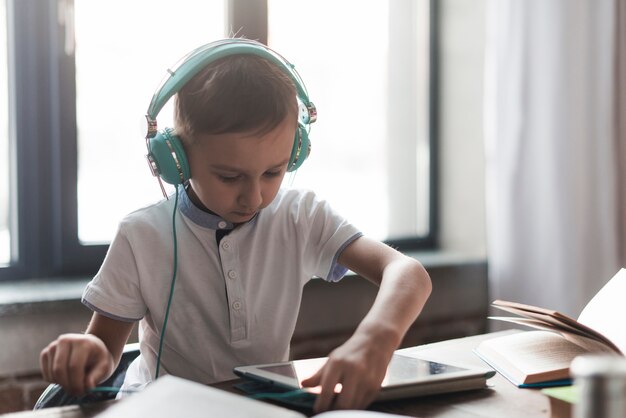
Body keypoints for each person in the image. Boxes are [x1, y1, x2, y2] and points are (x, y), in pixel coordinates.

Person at [39, 38, 432, 412]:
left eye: (273, 172)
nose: (254, 197)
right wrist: (88, 354)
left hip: (264, 409)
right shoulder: (142, 236)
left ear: (296, 151)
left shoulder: (300, 217)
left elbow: (408, 273)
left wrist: (375, 337)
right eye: (230, 177)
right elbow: (105, 351)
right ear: (177, 159)